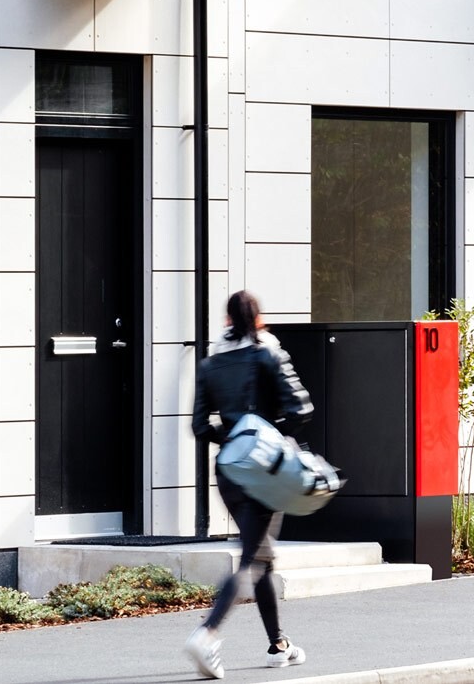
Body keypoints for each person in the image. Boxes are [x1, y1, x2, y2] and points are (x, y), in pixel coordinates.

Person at [185, 290, 314, 679]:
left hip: (230, 471)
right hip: (265, 471)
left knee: (261, 555)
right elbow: (301, 408)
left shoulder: (210, 364)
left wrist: (235, 438)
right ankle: (207, 634)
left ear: (227, 321)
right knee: (252, 558)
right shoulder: (267, 353)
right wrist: (270, 437)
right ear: (258, 319)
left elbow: (200, 426)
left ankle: (278, 645)